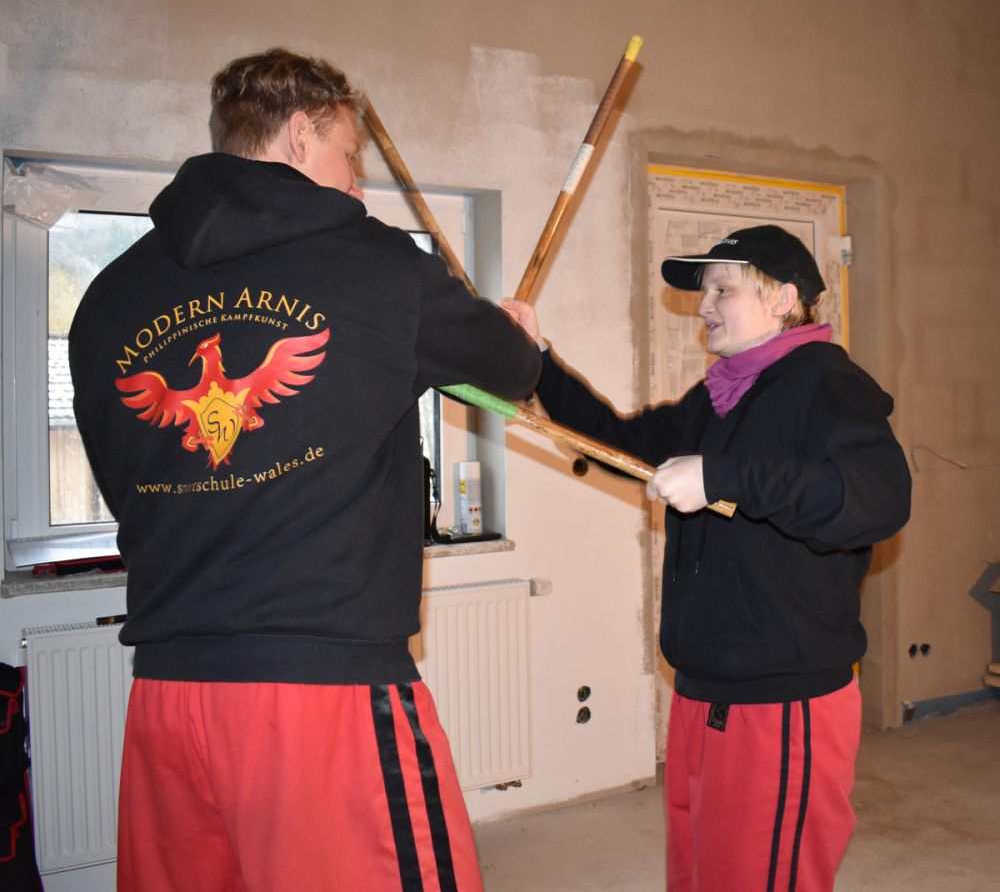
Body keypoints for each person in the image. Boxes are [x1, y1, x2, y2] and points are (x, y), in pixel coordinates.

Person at [69, 47, 541, 892]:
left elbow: (123, 482)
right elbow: (510, 370)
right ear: (297, 135)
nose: (356, 185)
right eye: (349, 155)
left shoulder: (106, 298)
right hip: (320, 692)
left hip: (169, 694)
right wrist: (518, 333)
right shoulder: (379, 264)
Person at [502, 224, 911, 892]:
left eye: (723, 289)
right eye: (705, 291)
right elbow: (619, 442)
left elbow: (877, 498)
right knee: (701, 876)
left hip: (782, 700)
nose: (703, 306)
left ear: (783, 299)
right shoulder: (721, 394)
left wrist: (725, 477)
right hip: (703, 689)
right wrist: (539, 358)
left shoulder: (830, 383)